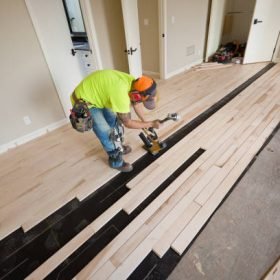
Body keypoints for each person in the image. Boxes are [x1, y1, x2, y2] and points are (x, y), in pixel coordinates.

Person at [70, 69, 161, 172]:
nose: (141, 101)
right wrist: (151, 123)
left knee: (115, 122)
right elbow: (128, 122)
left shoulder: (133, 83)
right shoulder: (121, 93)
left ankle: (119, 147)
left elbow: (136, 103)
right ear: (136, 94)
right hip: (85, 101)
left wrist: (146, 122)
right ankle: (115, 161)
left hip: (99, 96)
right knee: (106, 132)